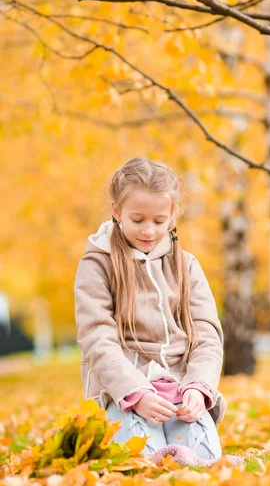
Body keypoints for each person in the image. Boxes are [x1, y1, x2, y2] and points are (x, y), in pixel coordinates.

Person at [74, 156, 227, 459]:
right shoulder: (97, 265)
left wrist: (198, 387)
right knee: (143, 460)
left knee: (205, 458)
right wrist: (135, 393)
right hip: (123, 392)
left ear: (172, 217)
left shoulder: (186, 265)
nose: (148, 231)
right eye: (137, 219)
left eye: (159, 221)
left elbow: (207, 335)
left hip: (181, 390)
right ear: (116, 211)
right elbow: (97, 338)